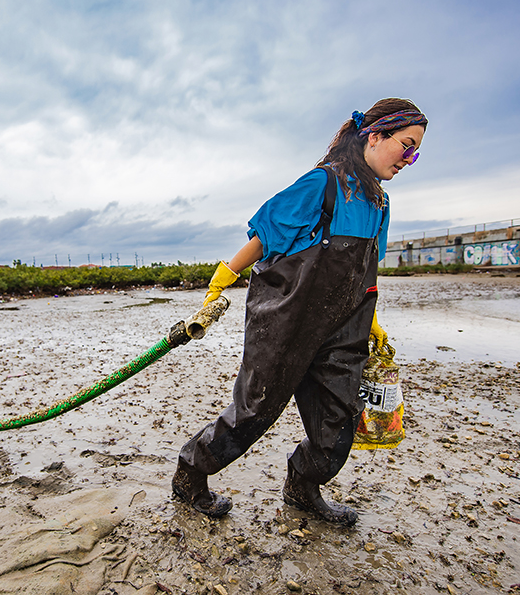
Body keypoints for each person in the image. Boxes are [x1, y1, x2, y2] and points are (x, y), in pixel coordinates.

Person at [172, 98, 428, 526]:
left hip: (346, 328)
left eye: (415, 152)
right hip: (286, 320)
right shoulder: (322, 185)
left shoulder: (379, 204)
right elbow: (265, 235)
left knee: (338, 422)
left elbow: (367, 271)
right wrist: (223, 279)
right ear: (375, 135)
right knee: (254, 412)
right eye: (406, 145)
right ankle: (191, 473)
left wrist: (374, 322)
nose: (409, 159)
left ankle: (302, 486)